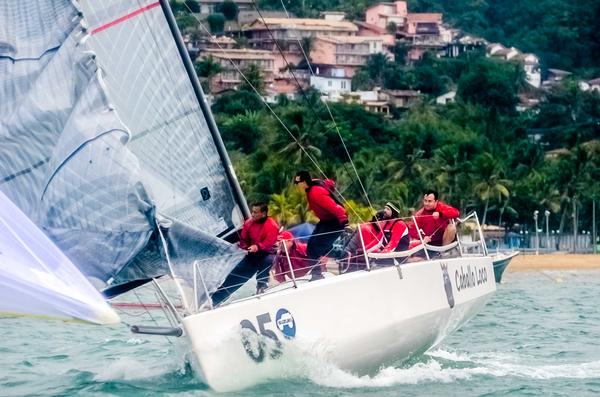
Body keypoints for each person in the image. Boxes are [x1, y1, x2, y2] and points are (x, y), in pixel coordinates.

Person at [211, 202, 278, 306]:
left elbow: (269, 242)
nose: (252, 214)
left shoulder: (272, 225)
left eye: (255, 212)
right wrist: (245, 247)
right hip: (252, 254)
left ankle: (262, 286)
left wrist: (258, 247)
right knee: (233, 277)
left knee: (267, 261)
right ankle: (214, 301)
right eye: (252, 212)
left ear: (263, 214)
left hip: (267, 253)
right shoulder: (248, 223)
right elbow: (243, 239)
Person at [294, 171, 348, 280]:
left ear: (304, 182)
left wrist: (344, 221)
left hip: (336, 221)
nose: (296, 186)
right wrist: (329, 184)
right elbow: (325, 183)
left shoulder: (315, 192)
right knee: (311, 247)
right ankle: (317, 274)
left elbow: (335, 207)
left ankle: (343, 255)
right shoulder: (311, 185)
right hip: (326, 221)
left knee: (317, 247)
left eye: (297, 183)